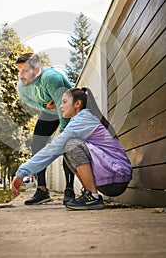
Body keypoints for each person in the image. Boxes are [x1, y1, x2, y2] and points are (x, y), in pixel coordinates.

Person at [12, 87, 132, 210]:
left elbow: (52, 149)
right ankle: (90, 193)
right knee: (67, 146)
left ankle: (93, 197)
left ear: (77, 104)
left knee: (70, 144)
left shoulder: (83, 120)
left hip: (116, 178)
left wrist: (22, 172)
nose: (60, 106)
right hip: (112, 178)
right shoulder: (82, 119)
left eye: (64, 102)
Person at [16, 53, 75, 205]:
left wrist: (64, 131)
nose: (21, 75)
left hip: (69, 109)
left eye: (25, 71)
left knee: (68, 145)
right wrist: (44, 106)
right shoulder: (22, 86)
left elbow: (65, 107)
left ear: (37, 69)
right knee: (36, 145)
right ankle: (42, 190)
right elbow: (30, 101)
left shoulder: (51, 78)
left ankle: (69, 190)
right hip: (50, 113)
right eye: (19, 71)